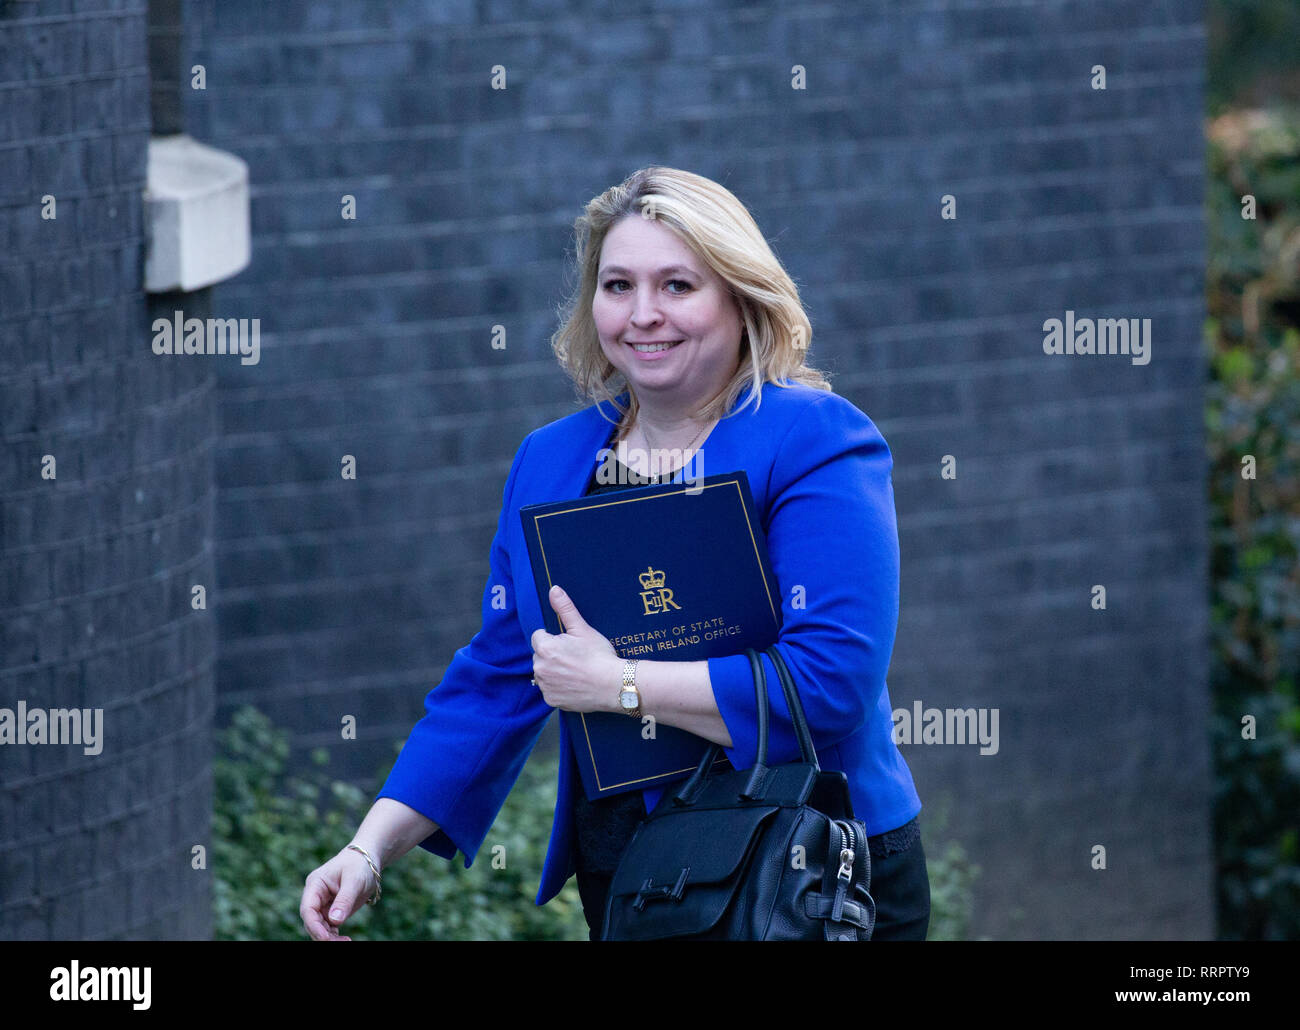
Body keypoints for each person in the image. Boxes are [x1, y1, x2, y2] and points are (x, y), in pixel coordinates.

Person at [299, 166, 929, 941]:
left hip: (802, 867)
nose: (642, 315)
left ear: (739, 296)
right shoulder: (549, 462)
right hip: (636, 871)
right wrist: (369, 847)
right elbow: (499, 676)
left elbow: (829, 683)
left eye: (676, 286)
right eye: (617, 284)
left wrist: (621, 685)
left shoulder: (815, 441)